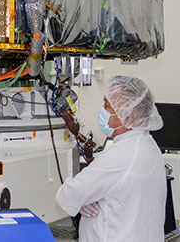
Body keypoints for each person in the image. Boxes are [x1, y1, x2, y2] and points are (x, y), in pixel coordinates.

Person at [54, 75, 168, 242]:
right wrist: (85, 198)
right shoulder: (148, 147)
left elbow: (67, 196)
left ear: (129, 114)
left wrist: (83, 199)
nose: (102, 111)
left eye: (107, 106)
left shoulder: (120, 156)